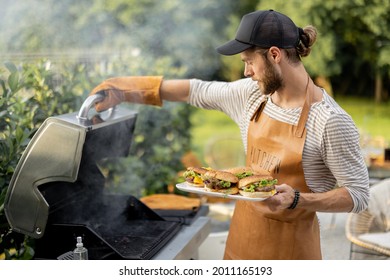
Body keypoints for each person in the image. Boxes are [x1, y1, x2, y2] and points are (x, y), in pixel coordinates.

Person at [89, 9, 370, 259]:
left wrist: (298, 199)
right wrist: (124, 89)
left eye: (249, 61)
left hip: (292, 255)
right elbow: (195, 90)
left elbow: (358, 195)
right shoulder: (252, 96)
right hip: (241, 245)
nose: (246, 72)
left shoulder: (331, 120)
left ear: (275, 54)